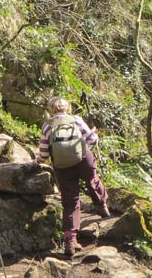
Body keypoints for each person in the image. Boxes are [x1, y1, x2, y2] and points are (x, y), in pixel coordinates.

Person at [36, 95, 109, 257]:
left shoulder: (47, 126)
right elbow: (91, 139)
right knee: (92, 180)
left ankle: (70, 241)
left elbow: (44, 154)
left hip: (62, 167)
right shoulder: (76, 120)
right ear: (67, 108)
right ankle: (102, 205)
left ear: (50, 110)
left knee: (70, 201)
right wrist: (94, 134)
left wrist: (35, 161)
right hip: (83, 160)